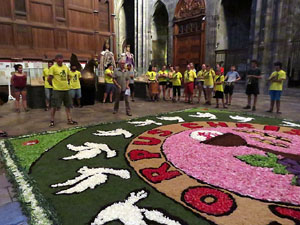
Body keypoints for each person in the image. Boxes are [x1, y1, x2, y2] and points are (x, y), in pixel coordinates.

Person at [48, 54, 77, 127]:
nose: (60, 60)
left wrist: (67, 82)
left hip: (66, 89)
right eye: (58, 58)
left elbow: (68, 76)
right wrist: (53, 85)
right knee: (54, 105)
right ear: (55, 60)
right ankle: (52, 120)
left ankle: (69, 119)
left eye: (61, 58)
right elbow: (49, 78)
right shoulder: (53, 68)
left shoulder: (65, 67)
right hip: (57, 90)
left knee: (68, 105)